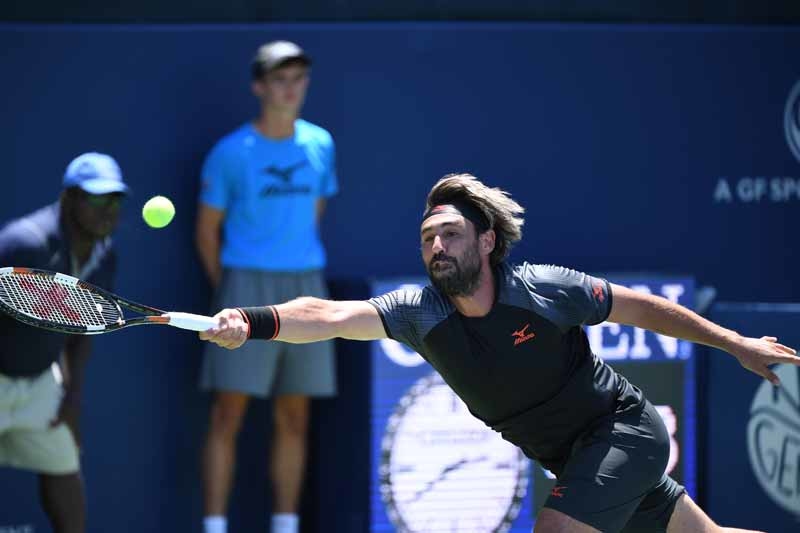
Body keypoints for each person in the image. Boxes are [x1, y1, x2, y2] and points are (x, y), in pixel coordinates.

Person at [200, 173, 796, 533]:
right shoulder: (417, 313)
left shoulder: (544, 290)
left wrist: (735, 343)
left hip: (623, 430)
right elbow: (328, 315)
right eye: (427, 239)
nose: (437, 246)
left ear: (486, 241)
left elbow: (643, 309)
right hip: (572, 458)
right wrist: (252, 322)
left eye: (450, 234)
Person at [195, 39, 338, 533]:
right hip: (244, 285)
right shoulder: (230, 153)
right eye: (280, 79)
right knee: (227, 415)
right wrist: (232, 291)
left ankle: (285, 525)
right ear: (259, 87)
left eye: (298, 78)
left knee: (295, 416)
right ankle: (215, 526)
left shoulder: (321, 144)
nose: (291, 88)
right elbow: (206, 232)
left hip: (306, 287)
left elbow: (315, 212)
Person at [0, 152, 128, 533]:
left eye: (115, 200)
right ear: (69, 198)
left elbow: (82, 331)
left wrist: (72, 397)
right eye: (97, 199)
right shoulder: (25, 244)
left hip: (41, 383)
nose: (108, 211)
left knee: (64, 467)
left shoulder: (104, 256)